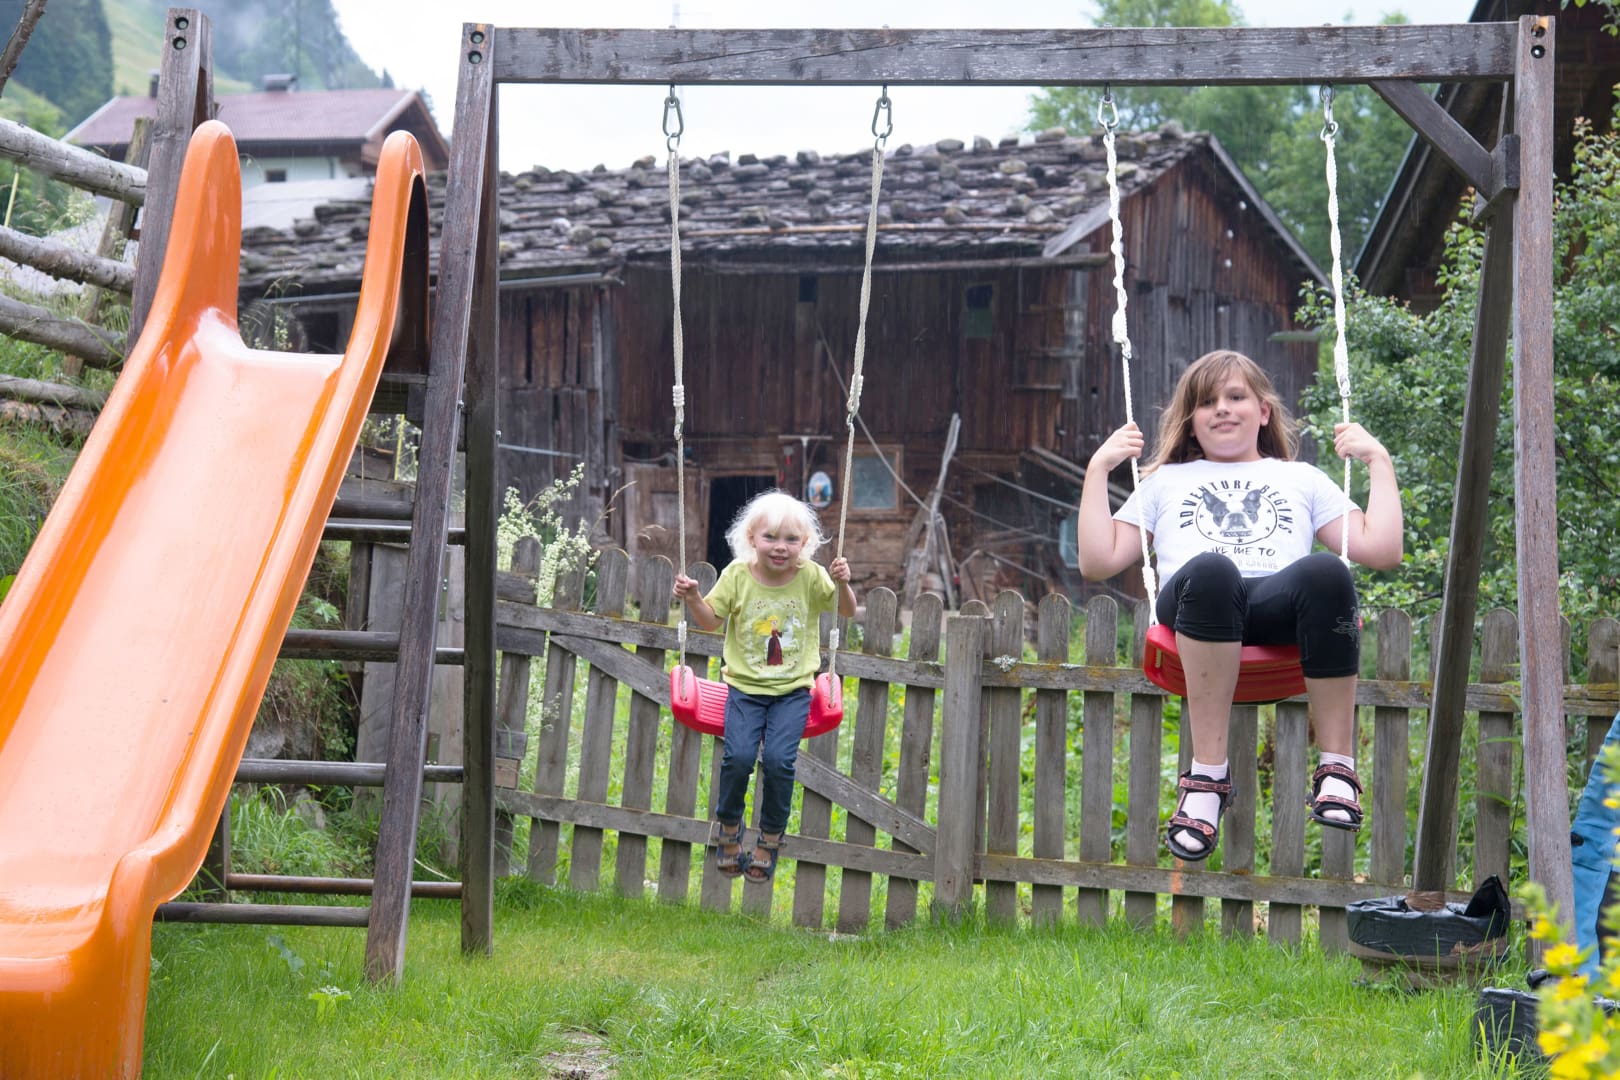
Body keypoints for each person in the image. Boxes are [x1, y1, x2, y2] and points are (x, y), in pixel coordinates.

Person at [1076, 350, 1403, 861]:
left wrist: (1379, 461)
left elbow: (1382, 550)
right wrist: (1099, 468)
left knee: (1327, 570)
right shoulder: (1164, 482)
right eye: (1207, 402)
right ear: (1191, 419)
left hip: (1274, 610)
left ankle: (1337, 768)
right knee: (1214, 569)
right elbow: (1098, 561)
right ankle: (1207, 778)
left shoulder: (1301, 478)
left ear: (1263, 411)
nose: (1222, 409)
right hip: (1197, 606)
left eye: (1235, 397)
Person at [673, 489, 857, 882]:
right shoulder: (737, 575)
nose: (780, 547)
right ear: (751, 538)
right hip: (744, 689)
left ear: (804, 544)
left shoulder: (811, 577)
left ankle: (771, 835)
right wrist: (693, 598)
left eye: (791, 539)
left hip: (793, 691)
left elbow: (846, 610)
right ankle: (729, 826)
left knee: (778, 761)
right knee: (738, 758)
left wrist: (843, 583)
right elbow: (710, 621)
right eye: (770, 537)